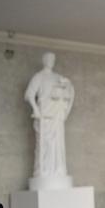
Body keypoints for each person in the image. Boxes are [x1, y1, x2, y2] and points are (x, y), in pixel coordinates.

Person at [25, 51, 74, 179]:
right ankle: (44, 171)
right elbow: (29, 94)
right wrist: (35, 109)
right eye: (48, 59)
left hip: (57, 115)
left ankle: (59, 170)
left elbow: (69, 92)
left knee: (57, 144)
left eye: (53, 59)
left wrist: (67, 84)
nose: (51, 61)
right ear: (44, 60)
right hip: (44, 115)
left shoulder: (58, 77)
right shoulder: (39, 76)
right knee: (45, 144)